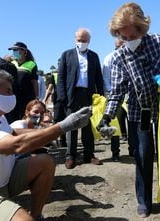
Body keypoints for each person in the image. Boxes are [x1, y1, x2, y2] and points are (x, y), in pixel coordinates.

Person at [0, 69, 92, 221]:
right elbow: (17, 145)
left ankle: (36, 216)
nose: (13, 96)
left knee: (45, 162)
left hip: (3, 182)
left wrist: (52, 130)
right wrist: (63, 127)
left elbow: (14, 133)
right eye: (8, 91)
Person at [97, 2, 160, 218]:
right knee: (142, 156)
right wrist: (106, 117)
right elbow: (117, 91)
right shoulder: (119, 57)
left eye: (132, 35)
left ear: (142, 29)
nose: (128, 41)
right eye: (124, 37)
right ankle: (144, 201)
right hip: (139, 110)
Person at [57, 28, 104, 169]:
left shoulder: (94, 56)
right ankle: (70, 156)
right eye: (79, 40)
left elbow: (98, 78)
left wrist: (100, 96)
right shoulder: (67, 55)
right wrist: (62, 96)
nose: (81, 42)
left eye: (84, 40)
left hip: (88, 95)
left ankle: (89, 155)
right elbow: (61, 78)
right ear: (74, 39)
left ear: (89, 41)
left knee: (88, 126)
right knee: (71, 126)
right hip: (72, 95)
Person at [102, 38, 126, 161]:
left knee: (131, 123)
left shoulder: (131, 55)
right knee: (115, 123)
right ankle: (115, 153)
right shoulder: (109, 58)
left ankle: (133, 149)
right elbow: (106, 78)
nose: (122, 45)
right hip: (115, 95)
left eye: (123, 43)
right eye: (119, 44)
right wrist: (112, 94)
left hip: (130, 96)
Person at [8, 42, 39, 119]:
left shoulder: (32, 64)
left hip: (27, 97)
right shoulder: (11, 63)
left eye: (16, 50)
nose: (14, 52)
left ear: (24, 51)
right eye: (13, 50)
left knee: (25, 117)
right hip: (13, 96)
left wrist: (36, 97)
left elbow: (34, 82)